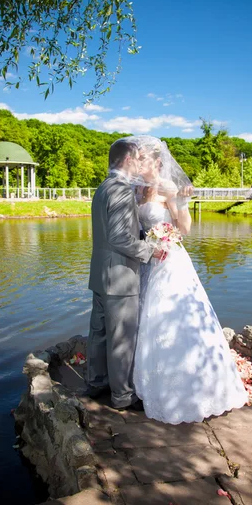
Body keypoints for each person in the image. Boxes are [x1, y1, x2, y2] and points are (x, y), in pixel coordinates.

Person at [133, 136, 248, 424]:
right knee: (150, 320)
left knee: (175, 318)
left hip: (170, 260)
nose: (139, 162)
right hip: (148, 260)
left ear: (158, 163)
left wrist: (177, 210)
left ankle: (194, 388)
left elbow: (185, 228)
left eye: (144, 158)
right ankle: (152, 384)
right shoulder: (138, 190)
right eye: (138, 158)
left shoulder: (168, 188)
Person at [85, 137, 159, 410]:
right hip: (120, 276)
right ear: (128, 160)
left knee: (100, 332)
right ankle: (122, 396)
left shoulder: (104, 187)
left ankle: (96, 383)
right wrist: (150, 250)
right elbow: (119, 237)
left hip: (101, 274)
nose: (141, 163)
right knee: (121, 337)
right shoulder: (121, 189)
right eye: (138, 158)